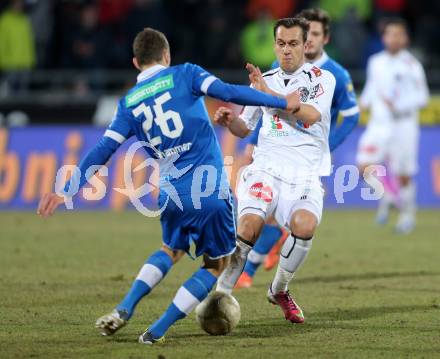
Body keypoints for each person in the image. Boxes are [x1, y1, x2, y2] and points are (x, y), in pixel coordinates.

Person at [37, 28, 300, 344]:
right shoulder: (186, 74)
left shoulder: (129, 103)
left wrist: (66, 189)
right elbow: (229, 92)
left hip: (170, 194)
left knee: (171, 250)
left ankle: (124, 308)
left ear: (136, 62)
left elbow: (102, 151)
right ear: (167, 55)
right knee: (217, 264)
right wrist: (280, 100)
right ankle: (157, 330)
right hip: (209, 189)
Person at [214, 17, 336, 323]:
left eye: (293, 43)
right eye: (281, 44)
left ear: (306, 45)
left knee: (305, 225)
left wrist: (268, 94)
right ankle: (219, 297)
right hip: (265, 169)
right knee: (248, 227)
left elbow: (308, 114)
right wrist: (231, 122)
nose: (286, 50)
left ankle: (279, 289)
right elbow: (246, 128)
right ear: (274, 45)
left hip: (304, 175)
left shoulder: (323, 79)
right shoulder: (262, 80)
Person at [236, 8, 360, 289]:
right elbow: (268, 107)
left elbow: (351, 115)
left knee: (293, 217)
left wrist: (328, 145)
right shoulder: (282, 64)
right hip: (276, 153)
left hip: (309, 158)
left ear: (323, 38)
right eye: (308, 35)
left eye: (316, 34)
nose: (311, 41)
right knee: (262, 208)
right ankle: (253, 268)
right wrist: (253, 141)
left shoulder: (335, 75)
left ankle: (255, 269)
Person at [356, 18, 429, 234]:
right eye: (390, 34)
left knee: (403, 174)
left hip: (403, 125)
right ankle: (387, 195)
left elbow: (423, 97)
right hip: (379, 124)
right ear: (384, 37)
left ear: (405, 38)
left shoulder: (412, 65)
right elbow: (372, 86)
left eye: (399, 34)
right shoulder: (375, 62)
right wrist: (363, 103)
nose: (394, 38)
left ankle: (407, 215)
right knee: (363, 166)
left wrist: (398, 105)